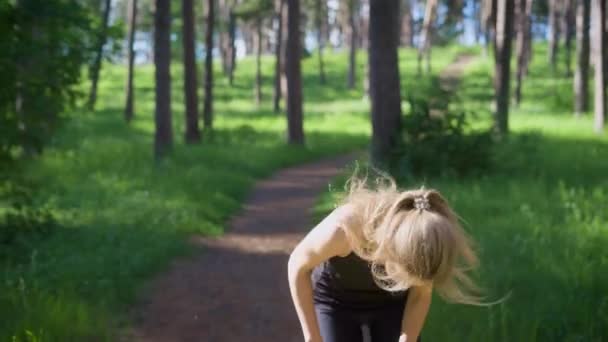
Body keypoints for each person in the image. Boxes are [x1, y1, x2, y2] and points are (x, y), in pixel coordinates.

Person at [287, 175, 483, 342]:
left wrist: (408, 339)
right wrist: (312, 337)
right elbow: (297, 265)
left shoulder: (424, 239)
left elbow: (420, 294)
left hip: (392, 303)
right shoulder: (344, 230)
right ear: (396, 251)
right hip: (335, 300)